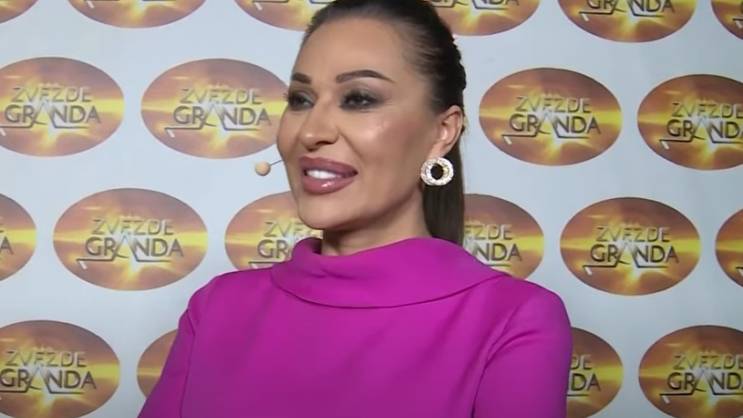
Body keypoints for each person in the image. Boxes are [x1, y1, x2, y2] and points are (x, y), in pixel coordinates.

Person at [138, 0, 572, 417]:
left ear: (442, 132)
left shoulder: (512, 320)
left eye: (359, 98)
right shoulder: (218, 308)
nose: (312, 131)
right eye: (301, 99)